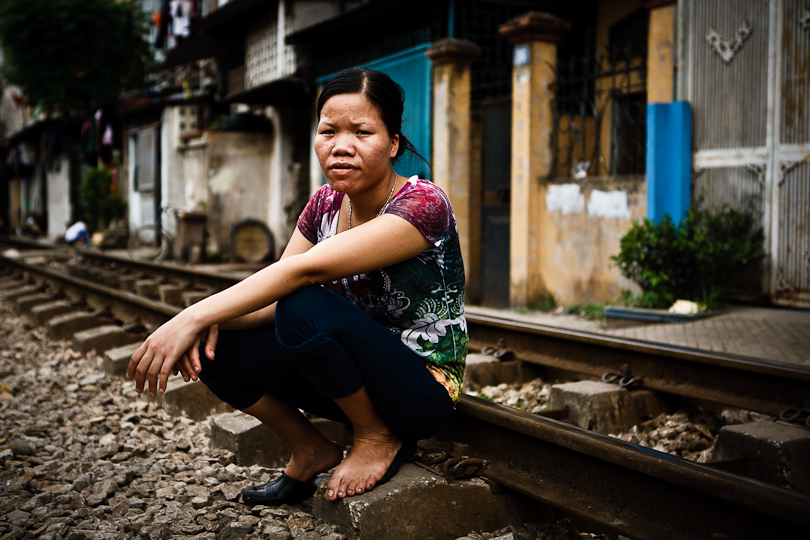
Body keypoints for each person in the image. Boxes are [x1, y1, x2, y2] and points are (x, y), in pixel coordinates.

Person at [127, 68, 467, 506]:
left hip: (420, 392)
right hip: (354, 382)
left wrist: (191, 314)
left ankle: (376, 437)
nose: (341, 146)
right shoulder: (325, 203)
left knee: (299, 302)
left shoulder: (422, 204)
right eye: (328, 131)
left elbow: (297, 277)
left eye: (363, 132)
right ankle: (311, 449)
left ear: (394, 143)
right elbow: (272, 296)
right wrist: (208, 322)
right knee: (217, 346)